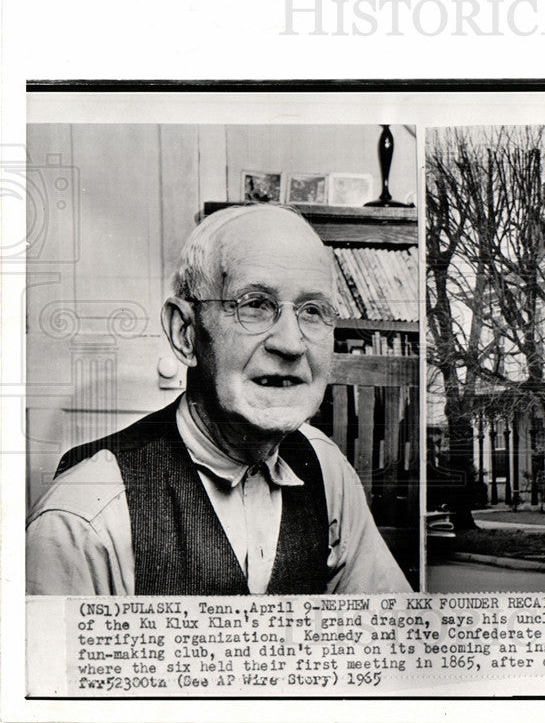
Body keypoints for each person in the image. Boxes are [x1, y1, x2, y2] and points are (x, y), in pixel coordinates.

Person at [26, 204, 411, 595]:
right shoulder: (84, 516)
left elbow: (391, 641)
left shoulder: (326, 468)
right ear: (185, 334)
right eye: (255, 305)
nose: (292, 343)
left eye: (313, 311)